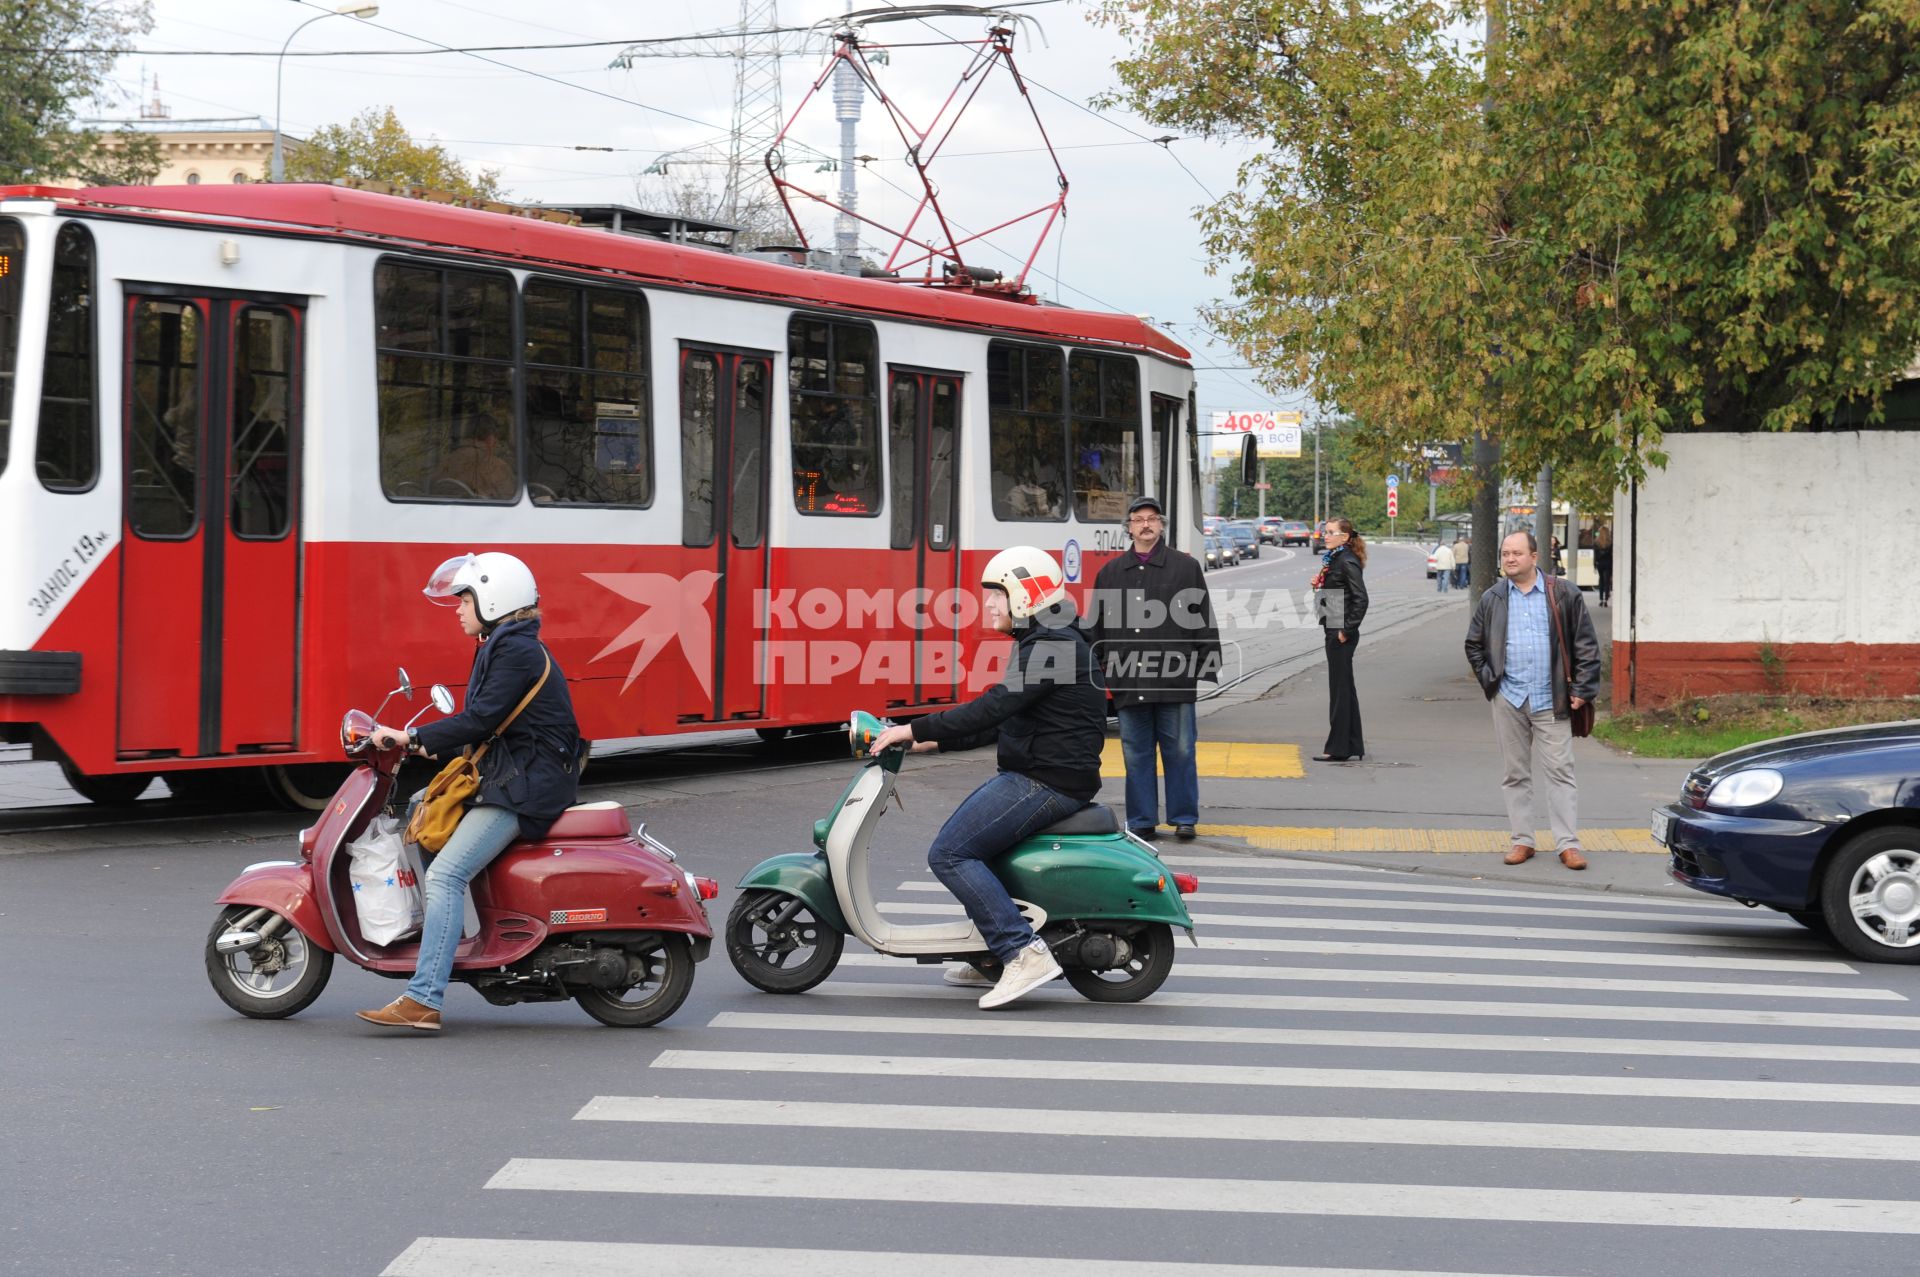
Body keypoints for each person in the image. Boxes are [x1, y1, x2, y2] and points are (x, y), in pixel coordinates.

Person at [866, 546, 1105, 1010]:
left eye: (997, 595)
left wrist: (913, 726)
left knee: (951, 853)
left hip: (1048, 781)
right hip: (1047, 773)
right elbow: (1008, 720)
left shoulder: (1054, 645)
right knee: (979, 848)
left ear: (1025, 595)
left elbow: (995, 706)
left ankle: (1020, 953)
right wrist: (931, 741)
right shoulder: (1048, 640)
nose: (989, 605)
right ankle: (993, 956)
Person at [358, 552, 583, 1030]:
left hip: (527, 786)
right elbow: (485, 724)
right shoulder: (500, 644)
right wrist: (424, 748)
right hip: (512, 774)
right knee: (423, 809)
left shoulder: (516, 651)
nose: (458, 607)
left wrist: (412, 738)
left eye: (465, 598)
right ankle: (449, 936)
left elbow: (481, 719)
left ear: (494, 599)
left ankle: (423, 999)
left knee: (445, 877)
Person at [1464, 531, 1601, 872]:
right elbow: (1474, 644)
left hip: (1551, 698)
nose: (1510, 559)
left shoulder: (1563, 593)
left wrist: (1582, 690)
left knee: (1560, 772)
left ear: (1535, 557)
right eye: (1505, 553)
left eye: (1517, 553)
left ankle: (1568, 845)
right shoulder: (1493, 597)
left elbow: (1585, 645)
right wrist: (1491, 682)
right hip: (1509, 698)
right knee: (1515, 773)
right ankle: (1522, 840)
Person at [1087, 495, 1221, 842]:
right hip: (1129, 678)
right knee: (1136, 752)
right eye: (1138, 519)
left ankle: (1183, 817)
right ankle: (1143, 819)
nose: (1145, 524)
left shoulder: (1185, 567)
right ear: (1128, 528)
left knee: (1180, 749)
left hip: (1174, 678)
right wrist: (1100, 673)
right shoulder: (1111, 572)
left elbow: (1203, 619)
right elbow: (1096, 629)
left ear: (1161, 525)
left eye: (1152, 518)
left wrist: (1205, 665)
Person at [1312, 517, 1368, 762]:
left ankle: (1338, 748)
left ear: (1345, 537)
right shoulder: (1335, 559)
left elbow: (1361, 598)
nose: (1326, 535)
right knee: (1344, 688)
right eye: (1326, 532)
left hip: (1340, 632)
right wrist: (1319, 586)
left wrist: (1347, 629)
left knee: (1340, 690)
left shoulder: (1346, 561)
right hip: (1333, 625)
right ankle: (1351, 744)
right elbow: (1339, 592)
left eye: (1331, 532)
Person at [431, 413, 516, 501]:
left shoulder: (445, 461)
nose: (497, 442)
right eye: (496, 437)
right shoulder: (496, 466)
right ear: (490, 438)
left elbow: (432, 490)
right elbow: (510, 498)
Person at [1594, 525, 1614, 607]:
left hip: (1600, 563)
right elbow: (1612, 554)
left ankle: (1601, 599)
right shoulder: (1610, 542)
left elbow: (1595, 555)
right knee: (1607, 581)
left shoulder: (1596, 542)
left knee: (1601, 580)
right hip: (1608, 563)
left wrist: (1594, 564)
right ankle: (1606, 600)